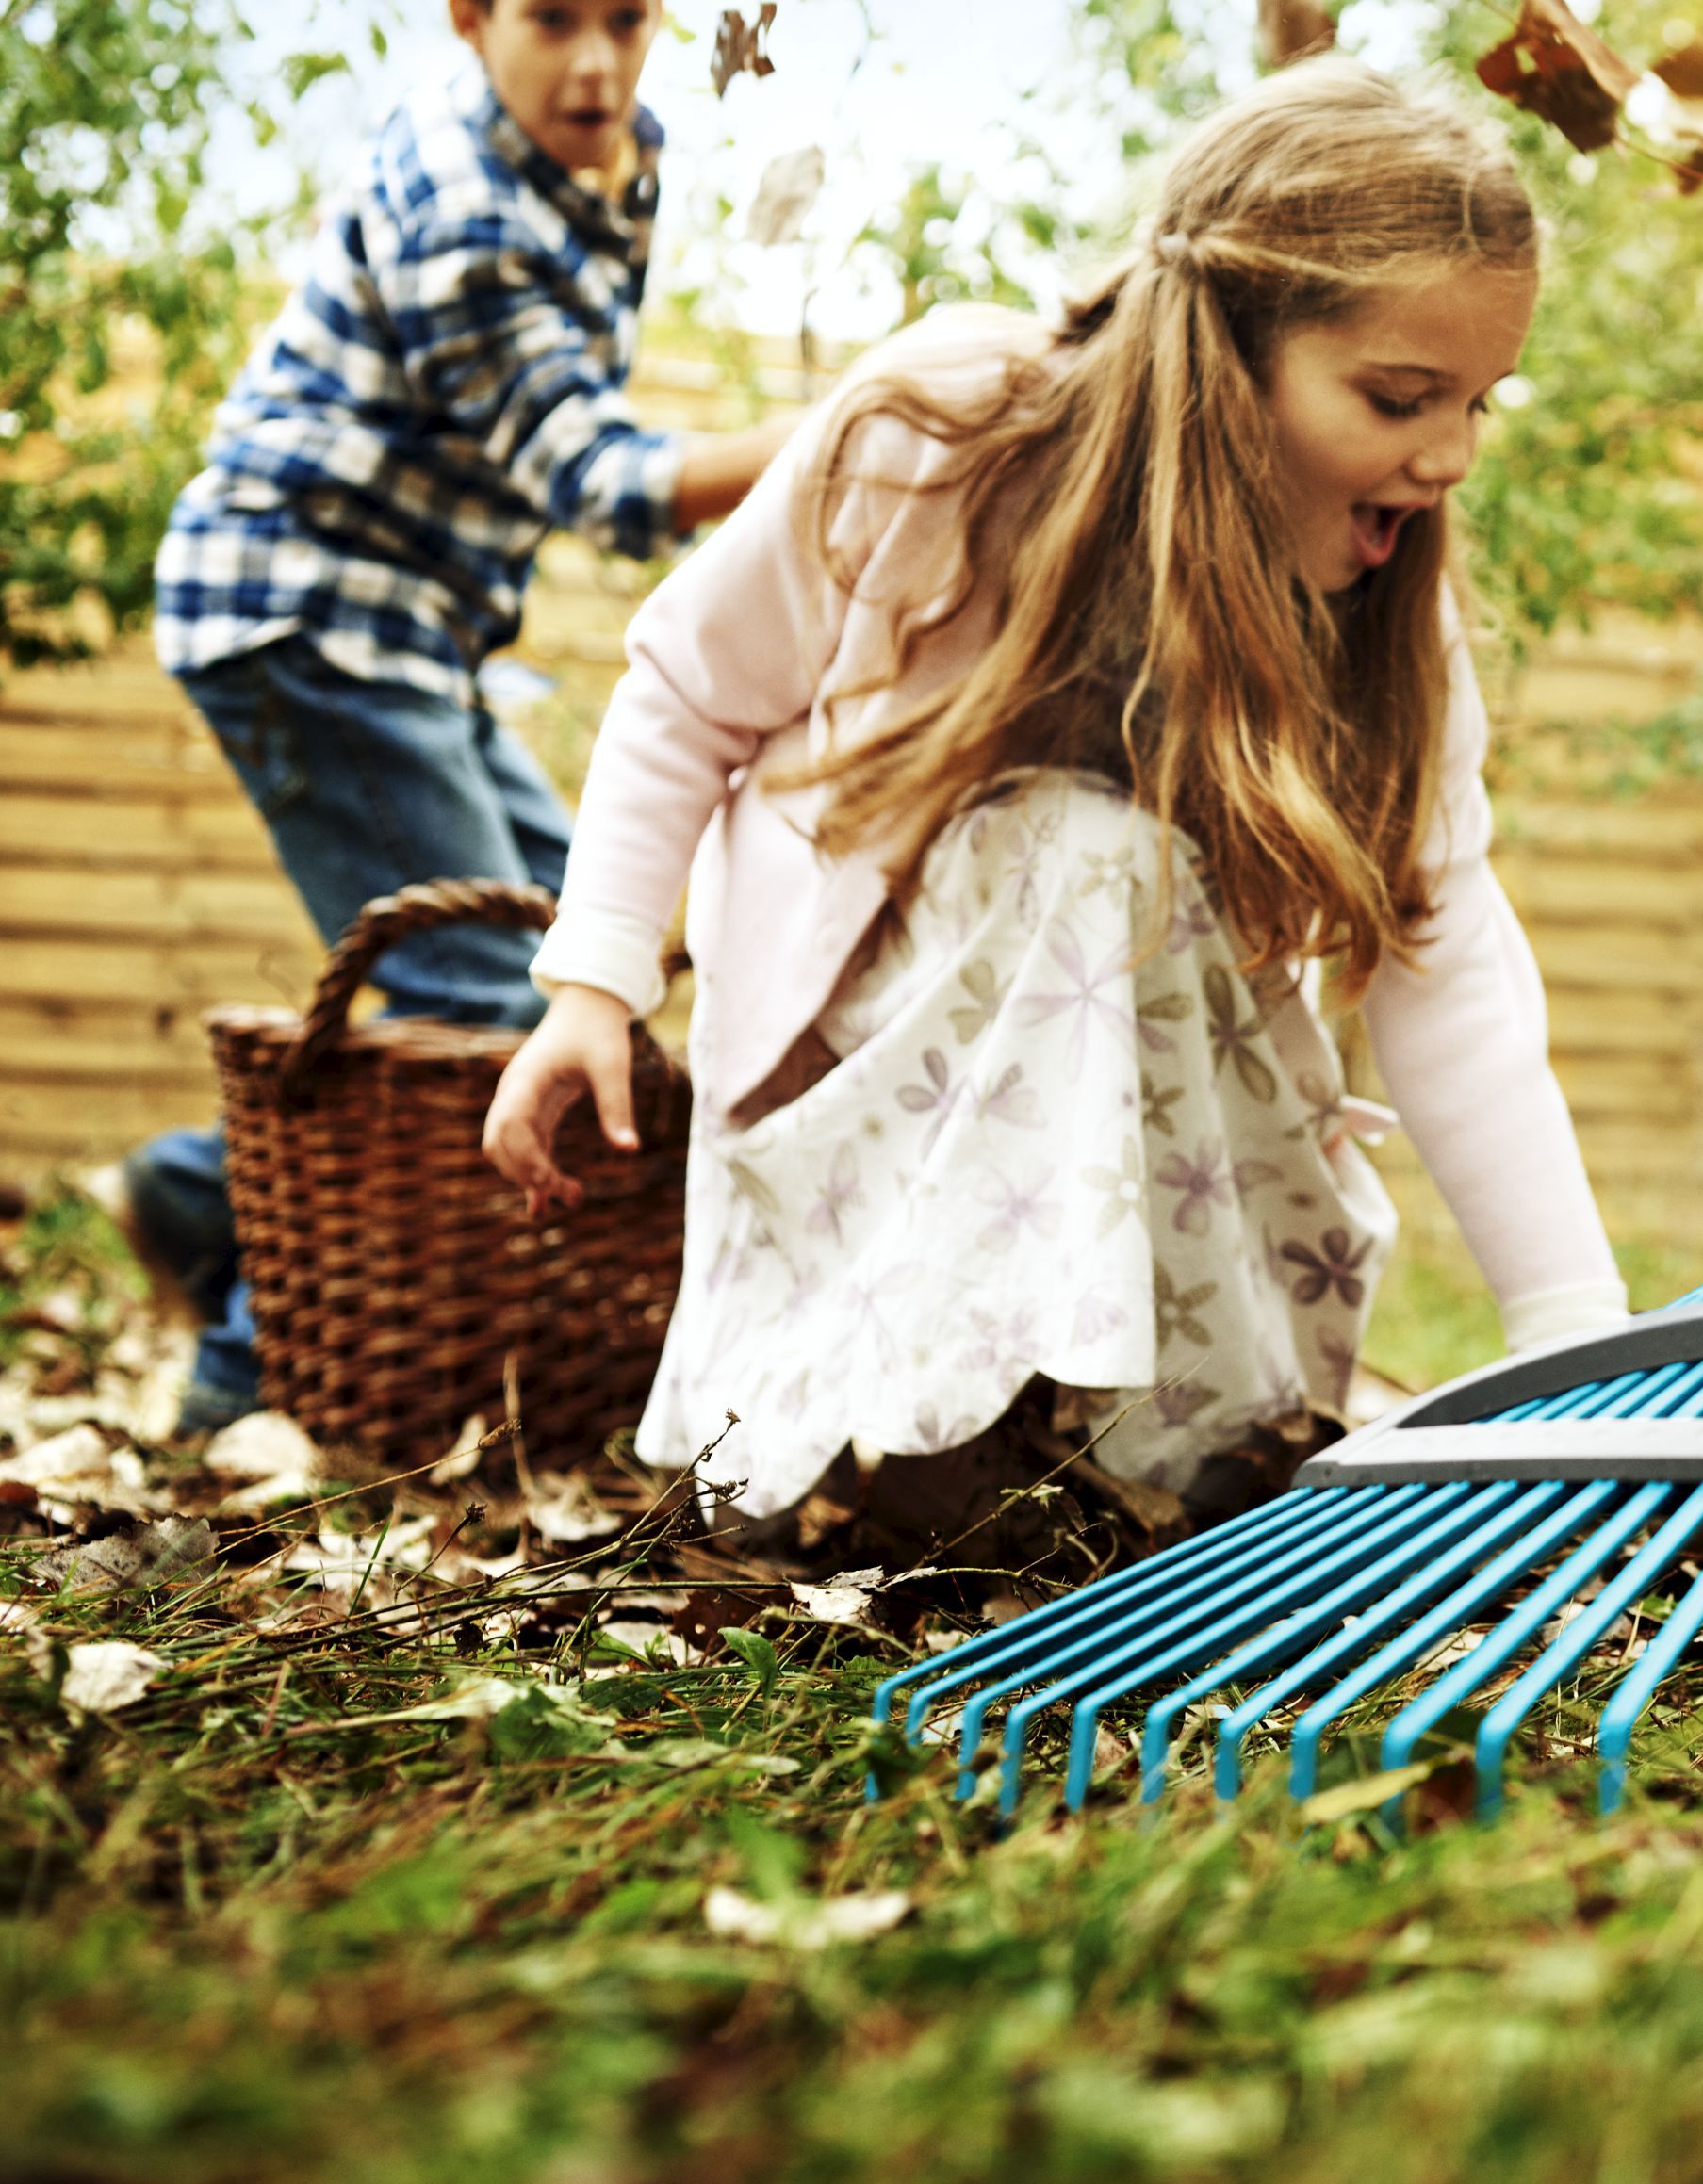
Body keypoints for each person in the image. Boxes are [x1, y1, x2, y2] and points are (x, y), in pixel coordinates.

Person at [481, 61, 1630, 1550]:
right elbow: (689, 687)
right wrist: (592, 980)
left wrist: (1572, 1324)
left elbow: (1445, 942)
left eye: (1480, 400)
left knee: (1122, 878)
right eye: (1400, 398)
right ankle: (935, 1447)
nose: (1452, 453)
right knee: (1096, 854)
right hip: (864, 1095)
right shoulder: (954, 436)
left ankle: (1143, 1461)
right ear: (1225, 347)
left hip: (1158, 1136)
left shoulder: (1378, 612)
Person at [133, 0, 794, 1433]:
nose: (597, 64)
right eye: (553, 20)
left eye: (627, 20)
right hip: (302, 610)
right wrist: (853, 424)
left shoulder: (621, 153)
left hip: (415, 634)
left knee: (583, 946)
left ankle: (200, 1188)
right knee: (486, 999)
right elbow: (596, 475)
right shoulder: (458, 193)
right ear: (471, 17)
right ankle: (244, 1379)